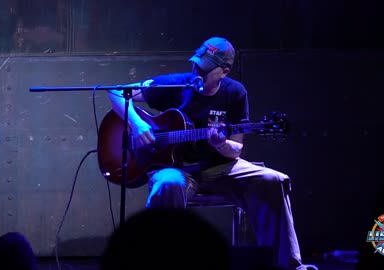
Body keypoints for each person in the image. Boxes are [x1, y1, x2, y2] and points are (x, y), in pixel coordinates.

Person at [107, 36, 307, 270]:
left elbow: (236, 150)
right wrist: (138, 125)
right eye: (195, 64)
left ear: (223, 72)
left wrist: (219, 144)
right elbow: (118, 92)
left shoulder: (235, 93)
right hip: (177, 169)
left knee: (273, 180)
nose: (196, 71)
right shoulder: (176, 84)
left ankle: (289, 266)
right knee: (167, 183)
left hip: (221, 169)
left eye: (204, 68)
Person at [101, 208, 232, 269]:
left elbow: (234, 152)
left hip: (222, 166)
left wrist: (230, 151)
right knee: (169, 182)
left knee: (253, 178)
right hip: (177, 169)